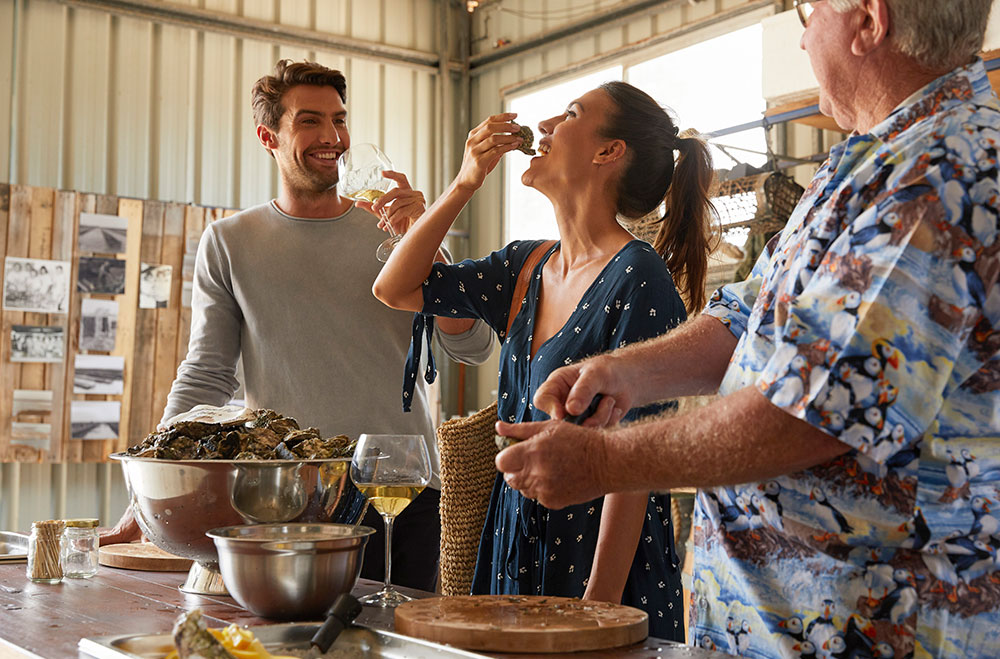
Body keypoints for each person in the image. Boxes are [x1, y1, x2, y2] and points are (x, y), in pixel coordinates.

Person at [492, 1, 1000, 656]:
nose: (801, 34)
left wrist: (600, 460)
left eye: (810, 9)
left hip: (870, 633)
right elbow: (748, 313)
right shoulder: (869, 162)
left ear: (869, 23)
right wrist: (626, 372)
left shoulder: (944, 177)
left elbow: (807, 414)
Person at [100, 59, 495, 593]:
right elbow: (206, 375)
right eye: (310, 121)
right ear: (269, 136)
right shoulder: (229, 243)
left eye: (339, 119)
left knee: (400, 645)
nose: (333, 136)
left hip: (399, 491)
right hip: (284, 496)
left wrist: (425, 239)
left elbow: (471, 344)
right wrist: (149, 498)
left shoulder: (395, 227)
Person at [373, 81, 716, 639]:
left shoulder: (640, 278)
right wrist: (465, 182)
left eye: (573, 114)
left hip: (600, 565)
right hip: (513, 542)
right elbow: (395, 288)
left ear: (609, 152)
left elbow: (633, 467)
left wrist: (596, 612)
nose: (549, 124)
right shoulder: (525, 266)